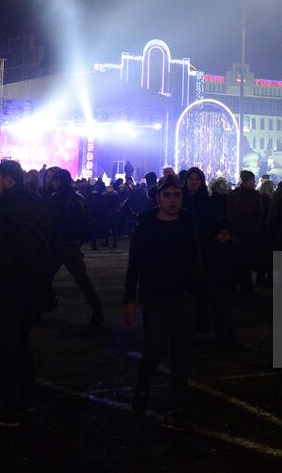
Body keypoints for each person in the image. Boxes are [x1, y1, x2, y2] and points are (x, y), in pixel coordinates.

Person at [124, 174, 202, 430]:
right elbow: (134, 262)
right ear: (158, 198)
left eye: (176, 195)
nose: (172, 200)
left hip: (183, 298)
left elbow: (195, 257)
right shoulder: (146, 223)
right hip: (156, 297)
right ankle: (142, 390)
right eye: (167, 195)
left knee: (182, 356)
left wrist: (194, 288)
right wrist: (129, 299)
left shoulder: (187, 221)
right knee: (154, 352)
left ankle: (175, 407)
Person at [0, 160, 52, 426]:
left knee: (9, 346)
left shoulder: (2, 206)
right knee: (22, 340)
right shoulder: (41, 204)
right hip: (32, 282)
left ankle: (10, 407)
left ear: (8, 179)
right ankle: (26, 399)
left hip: (8, 283)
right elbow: (50, 241)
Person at [44, 168, 105, 327]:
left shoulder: (53, 199)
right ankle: (97, 310)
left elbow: (50, 224)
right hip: (73, 245)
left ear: (59, 181)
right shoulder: (80, 198)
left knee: (44, 278)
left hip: (57, 245)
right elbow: (86, 223)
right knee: (83, 281)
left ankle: (41, 307)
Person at [225, 170, 263, 295]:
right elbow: (258, 214)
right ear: (247, 180)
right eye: (253, 180)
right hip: (247, 233)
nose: (255, 182)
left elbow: (229, 212)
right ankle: (245, 287)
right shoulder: (255, 195)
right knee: (245, 261)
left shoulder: (233, 194)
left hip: (238, 231)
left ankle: (236, 285)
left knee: (237, 260)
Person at [205, 216, 240, 345]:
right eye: (221, 233)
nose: (223, 236)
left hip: (226, 283)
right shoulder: (217, 247)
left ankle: (228, 335)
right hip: (217, 283)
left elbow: (237, 266)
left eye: (225, 234)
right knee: (217, 311)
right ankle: (221, 335)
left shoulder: (229, 248)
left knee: (225, 311)